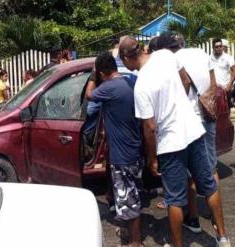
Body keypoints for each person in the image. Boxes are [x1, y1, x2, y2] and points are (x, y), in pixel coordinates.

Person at [119, 36, 230, 247]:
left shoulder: (141, 85)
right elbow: (186, 81)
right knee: (209, 186)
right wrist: (180, 104)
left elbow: (150, 127)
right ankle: (223, 238)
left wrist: (152, 159)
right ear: (141, 48)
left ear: (126, 58)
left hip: (171, 143)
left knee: (175, 199)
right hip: (194, 131)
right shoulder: (166, 55)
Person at [157, 32, 221, 233]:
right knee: (211, 168)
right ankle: (215, 216)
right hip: (207, 115)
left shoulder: (171, 61)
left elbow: (175, 90)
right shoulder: (201, 53)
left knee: (188, 175)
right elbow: (213, 83)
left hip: (188, 123)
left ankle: (192, 218)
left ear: (165, 48)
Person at [86, 52, 142, 247]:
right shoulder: (130, 82)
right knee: (128, 194)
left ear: (102, 72)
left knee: (129, 198)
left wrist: (93, 75)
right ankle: (128, 233)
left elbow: (89, 94)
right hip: (134, 148)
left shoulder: (108, 87)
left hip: (122, 155)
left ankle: (135, 242)